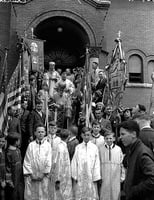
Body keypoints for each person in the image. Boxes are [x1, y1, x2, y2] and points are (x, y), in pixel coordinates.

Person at [119, 120, 154, 200]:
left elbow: (152, 179)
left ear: (134, 134)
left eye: (123, 134)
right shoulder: (133, 149)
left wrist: (133, 191)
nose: (120, 137)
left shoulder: (142, 152)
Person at [23, 124, 52, 200]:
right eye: (38, 132)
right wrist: (31, 174)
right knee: (32, 195)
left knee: (44, 195)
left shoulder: (48, 145)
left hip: (44, 177)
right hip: (32, 177)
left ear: (45, 133)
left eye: (42, 132)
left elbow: (49, 160)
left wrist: (43, 174)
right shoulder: (31, 145)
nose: (40, 133)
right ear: (35, 133)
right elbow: (27, 160)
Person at [71, 127, 101, 200]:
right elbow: (75, 162)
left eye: (88, 135)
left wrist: (96, 175)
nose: (86, 137)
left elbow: (97, 162)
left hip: (91, 174)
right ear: (81, 135)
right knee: (80, 194)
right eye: (85, 135)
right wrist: (75, 175)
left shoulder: (94, 148)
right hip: (80, 174)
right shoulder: (78, 147)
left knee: (91, 195)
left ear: (90, 135)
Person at [99, 131, 125, 200]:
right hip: (104, 175)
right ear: (104, 139)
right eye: (107, 138)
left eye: (110, 138)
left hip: (116, 176)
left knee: (115, 194)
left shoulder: (118, 149)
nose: (108, 140)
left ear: (114, 139)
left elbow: (122, 163)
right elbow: (98, 164)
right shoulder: (100, 149)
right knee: (104, 194)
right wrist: (99, 176)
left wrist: (122, 176)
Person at [53, 129, 73, 200]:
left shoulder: (63, 146)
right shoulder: (61, 148)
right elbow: (58, 164)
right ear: (69, 137)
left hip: (65, 176)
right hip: (61, 178)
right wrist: (57, 180)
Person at [5, 132, 23, 200]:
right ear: (15, 141)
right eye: (18, 140)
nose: (19, 141)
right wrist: (9, 181)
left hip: (20, 176)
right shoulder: (9, 153)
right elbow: (8, 167)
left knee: (20, 191)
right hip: (13, 177)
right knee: (14, 193)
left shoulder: (18, 150)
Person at [0, 134, 6, 200]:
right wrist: (1, 181)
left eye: (3, 141)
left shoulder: (3, 151)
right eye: (0, 141)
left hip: (3, 180)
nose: (1, 143)